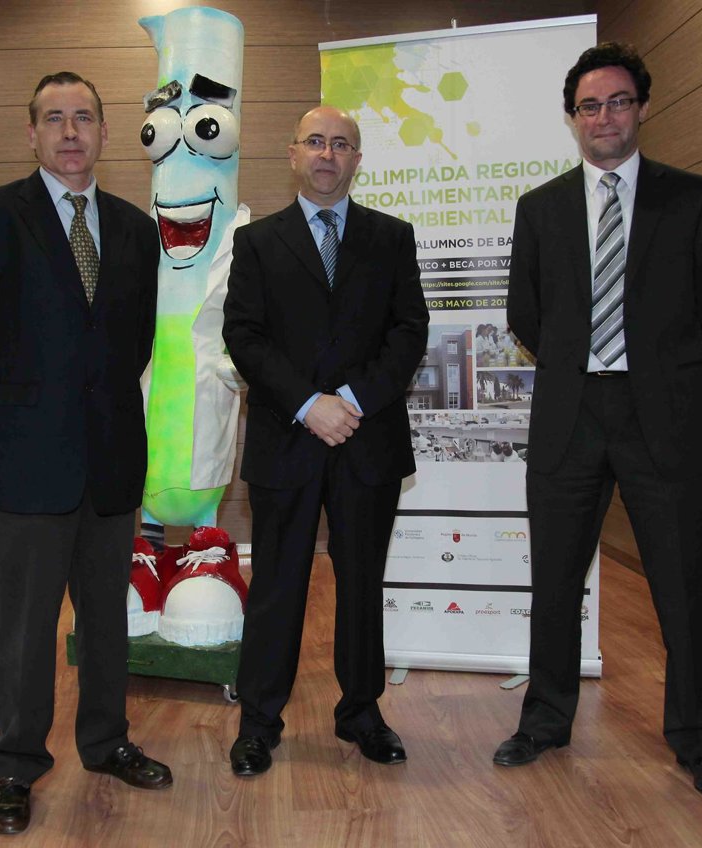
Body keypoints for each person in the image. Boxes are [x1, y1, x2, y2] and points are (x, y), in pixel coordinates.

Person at [498, 43, 702, 802]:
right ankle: (544, 721)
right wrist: (584, 362)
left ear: (642, 108)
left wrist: (658, 367)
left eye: (618, 101)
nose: (604, 116)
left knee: (681, 583)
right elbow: (526, 312)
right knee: (554, 580)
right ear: (573, 118)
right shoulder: (540, 208)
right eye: (589, 105)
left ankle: (700, 740)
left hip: (661, 417)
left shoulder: (693, 198)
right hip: (569, 416)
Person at [0, 72, 169, 836]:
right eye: (54, 118)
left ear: (103, 132)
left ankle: (106, 743)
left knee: (106, 622)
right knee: (24, 632)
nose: (71, 132)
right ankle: (13, 767)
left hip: (109, 462)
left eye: (84, 118)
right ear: (31, 133)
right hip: (21, 465)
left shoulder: (134, 229)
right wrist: (11, 422)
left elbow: (134, 341)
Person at [222, 105, 428, 776]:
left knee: (362, 584)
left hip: (368, 438)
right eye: (315, 141)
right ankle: (259, 723)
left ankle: (362, 713)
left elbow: (409, 332)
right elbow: (244, 335)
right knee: (278, 585)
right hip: (288, 436)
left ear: (357, 160)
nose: (327, 154)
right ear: (293, 153)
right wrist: (310, 405)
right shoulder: (257, 242)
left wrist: (353, 402)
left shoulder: (392, 238)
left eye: (342, 144)